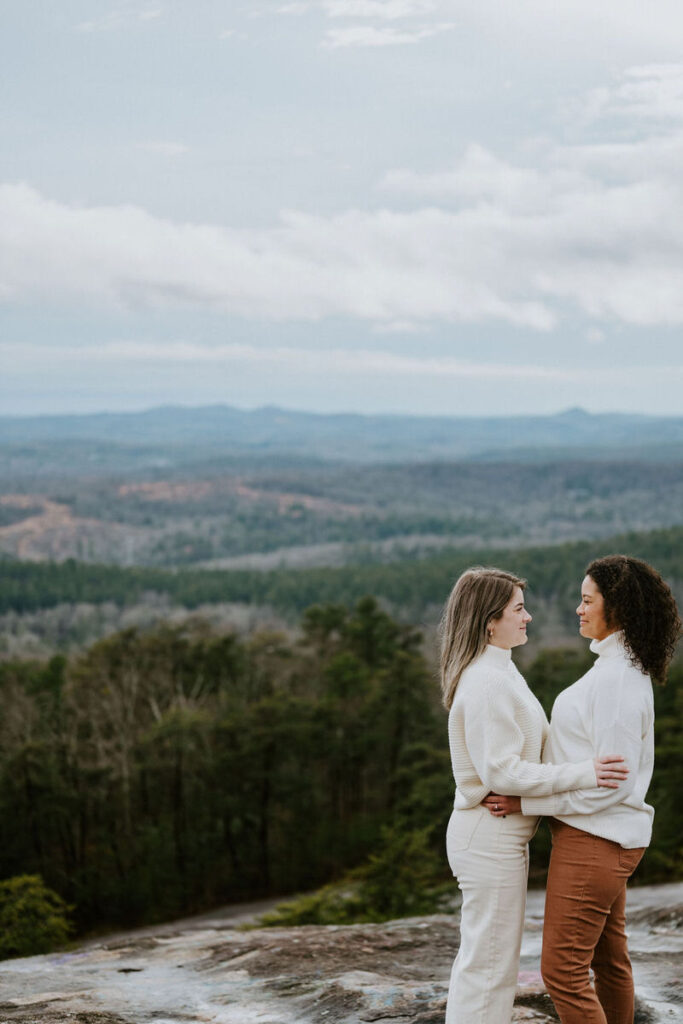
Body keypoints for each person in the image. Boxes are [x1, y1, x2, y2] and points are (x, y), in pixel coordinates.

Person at [483, 555, 681, 1024]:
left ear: (618, 608)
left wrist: (526, 800)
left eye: (587, 600)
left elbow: (610, 785)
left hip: (595, 840)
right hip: (603, 838)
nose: (578, 609)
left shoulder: (616, 681)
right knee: (609, 964)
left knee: (562, 972)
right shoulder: (619, 668)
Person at [441, 567, 629, 1024]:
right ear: (490, 621)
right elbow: (501, 771)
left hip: (501, 836)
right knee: (487, 970)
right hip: (487, 836)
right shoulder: (487, 681)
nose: (528, 617)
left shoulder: (500, 669)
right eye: (518, 609)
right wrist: (584, 773)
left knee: (491, 966)